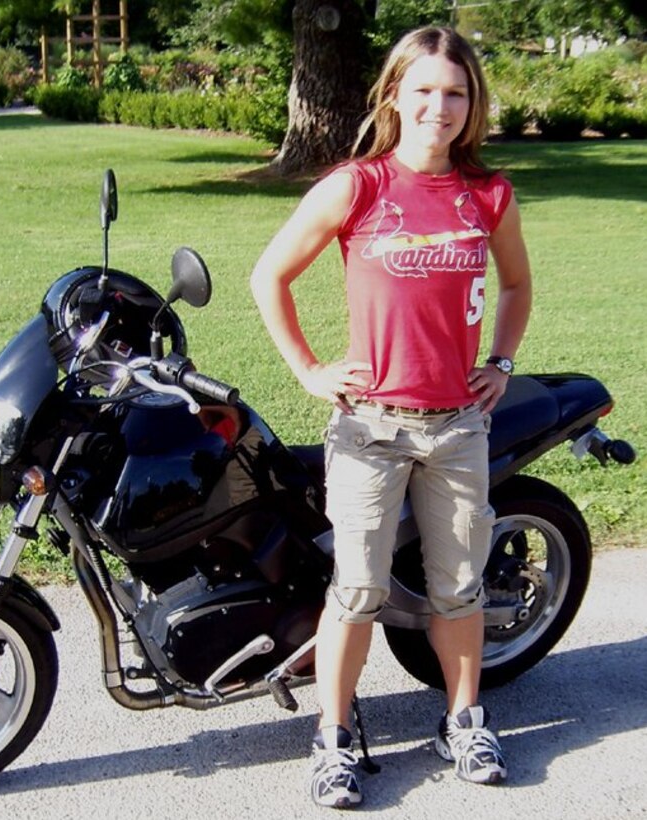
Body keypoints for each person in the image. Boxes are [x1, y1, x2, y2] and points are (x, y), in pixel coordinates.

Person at [250, 25, 532, 809]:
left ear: (473, 104)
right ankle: (334, 738)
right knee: (357, 589)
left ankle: (464, 721)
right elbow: (270, 275)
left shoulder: (489, 195)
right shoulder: (359, 185)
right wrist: (309, 369)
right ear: (395, 96)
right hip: (370, 428)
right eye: (425, 90)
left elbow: (516, 285)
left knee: (460, 587)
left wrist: (501, 361)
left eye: (456, 93)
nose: (440, 106)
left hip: (457, 428)